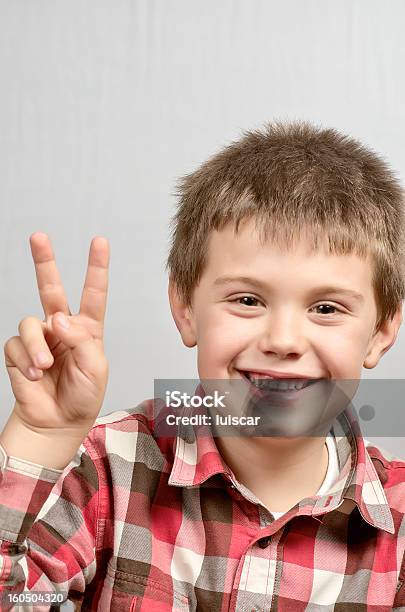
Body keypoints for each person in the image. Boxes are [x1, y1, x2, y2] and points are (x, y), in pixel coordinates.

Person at [0, 120, 404, 611]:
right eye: (248, 299)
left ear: (382, 330)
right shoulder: (105, 472)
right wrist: (39, 439)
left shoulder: (397, 526)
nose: (282, 341)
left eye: (326, 308)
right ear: (185, 307)